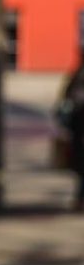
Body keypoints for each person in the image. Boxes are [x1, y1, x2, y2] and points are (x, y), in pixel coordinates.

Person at [55, 52, 84, 211]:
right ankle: (80, 198)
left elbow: (66, 97)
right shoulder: (78, 74)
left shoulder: (77, 74)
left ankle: (80, 198)